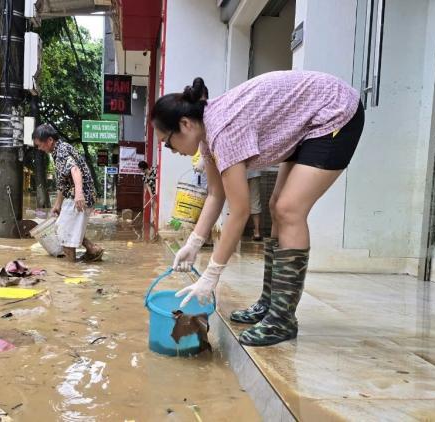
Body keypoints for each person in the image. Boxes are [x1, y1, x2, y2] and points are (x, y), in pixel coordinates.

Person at [150, 71, 364, 347]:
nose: (171, 150)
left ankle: (282, 320)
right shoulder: (206, 136)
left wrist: (211, 275)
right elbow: (216, 193)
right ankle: (271, 304)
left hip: (335, 112)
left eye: (168, 142)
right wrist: (193, 243)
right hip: (310, 119)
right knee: (276, 206)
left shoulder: (222, 130)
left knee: (289, 210)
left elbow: (239, 213)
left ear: (185, 124)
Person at [33, 124, 104, 262]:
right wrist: (58, 204)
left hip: (79, 198)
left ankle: (70, 270)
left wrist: (79, 194)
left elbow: (75, 170)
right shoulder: (59, 150)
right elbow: (63, 182)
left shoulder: (61, 151)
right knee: (62, 228)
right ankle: (92, 249)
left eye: (40, 144)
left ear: (49, 140)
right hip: (78, 196)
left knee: (64, 236)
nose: (39, 148)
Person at [246, 169, 263, 242]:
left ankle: (235, 231)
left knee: (235, 202)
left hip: (237, 172)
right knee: (255, 201)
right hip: (254, 171)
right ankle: (257, 232)